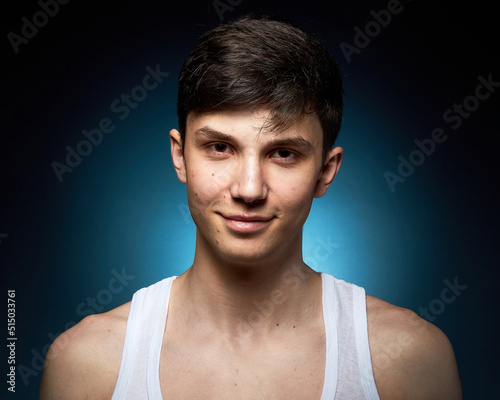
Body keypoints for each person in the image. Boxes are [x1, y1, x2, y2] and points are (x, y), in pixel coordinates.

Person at [39, 14, 462, 399]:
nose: (248, 188)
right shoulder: (88, 365)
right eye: (220, 147)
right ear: (180, 156)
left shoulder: (410, 361)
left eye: (283, 154)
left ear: (325, 171)